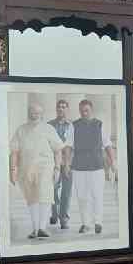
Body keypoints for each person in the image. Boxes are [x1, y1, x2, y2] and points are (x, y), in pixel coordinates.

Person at [8, 103, 66, 239]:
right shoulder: (21, 130)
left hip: (45, 167)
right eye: (33, 112)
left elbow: (58, 150)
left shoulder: (48, 129)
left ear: (42, 114)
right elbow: (14, 152)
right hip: (26, 168)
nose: (35, 115)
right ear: (29, 113)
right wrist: (13, 169)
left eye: (38, 113)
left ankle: (42, 228)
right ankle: (35, 229)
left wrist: (57, 168)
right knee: (32, 198)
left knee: (45, 196)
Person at [70, 99, 115, 234]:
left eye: (86, 110)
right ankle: (85, 223)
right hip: (79, 166)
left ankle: (98, 222)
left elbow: (108, 145)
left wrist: (113, 162)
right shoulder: (74, 126)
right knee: (82, 196)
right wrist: (66, 164)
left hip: (97, 166)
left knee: (97, 195)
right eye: (82, 111)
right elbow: (68, 146)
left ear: (91, 110)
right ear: (79, 111)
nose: (84, 113)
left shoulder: (99, 125)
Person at [48, 99, 75, 230]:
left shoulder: (72, 126)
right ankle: (54, 212)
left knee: (66, 191)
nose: (61, 109)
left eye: (64, 107)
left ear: (67, 109)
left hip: (68, 162)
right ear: (56, 109)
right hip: (53, 163)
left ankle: (64, 218)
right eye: (59, 107)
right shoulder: (49, 125)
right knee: (52, 189)